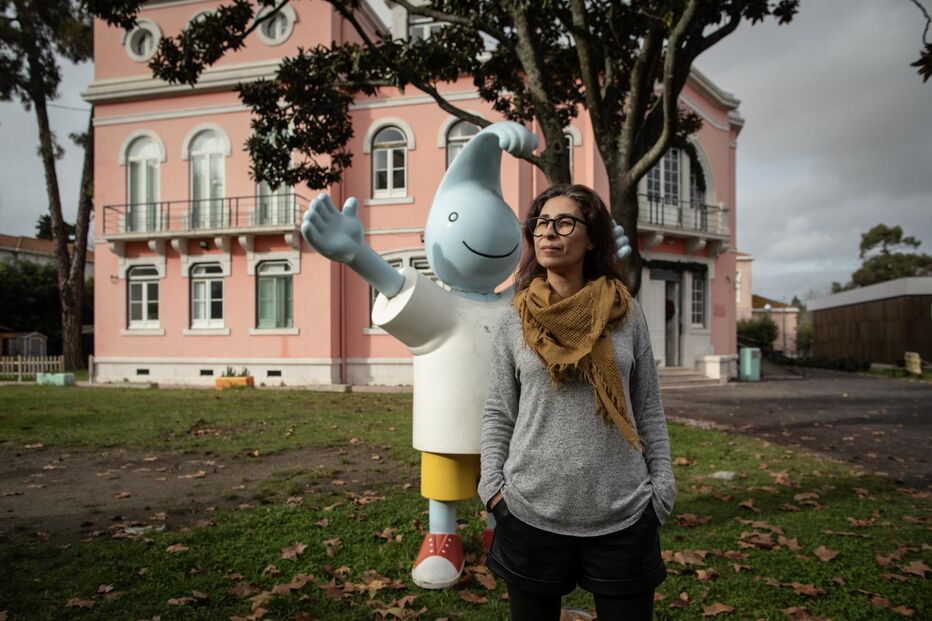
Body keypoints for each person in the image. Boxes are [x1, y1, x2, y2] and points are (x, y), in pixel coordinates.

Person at [479, 184, 676, 621]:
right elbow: (498, 411)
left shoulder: (626, 312)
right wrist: (493, 492)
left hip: (624, 510)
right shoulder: (516, 317)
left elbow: (648, 409)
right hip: (529, 510)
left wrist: (660, 493)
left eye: (564, 222)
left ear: (592, 237)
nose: (549, 233)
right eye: (541, 224)